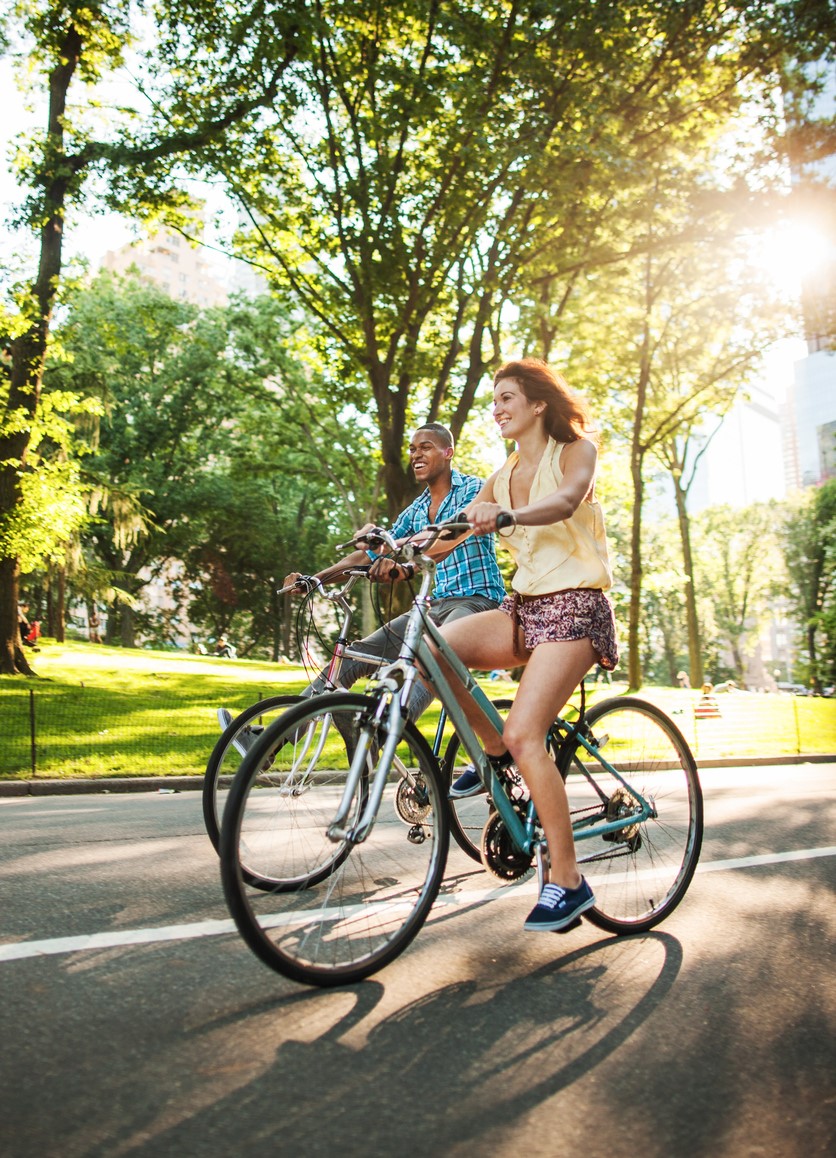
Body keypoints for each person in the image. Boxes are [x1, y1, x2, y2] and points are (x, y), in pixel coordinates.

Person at [435, 359, 618, 934]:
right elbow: (453, 533)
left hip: (577, 606)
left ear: (538, 404)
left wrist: (504, 514)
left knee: (526, 730)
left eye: (507, 397)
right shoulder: (502, 473)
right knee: (435, 650)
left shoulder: (575, 451)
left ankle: (567, 880)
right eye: (494, 400)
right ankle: (496, 758)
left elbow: (566, 501)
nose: (497, 408)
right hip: (526, 608)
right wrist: (396, 550)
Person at [218, 423, 506, 750]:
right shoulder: (415, 510)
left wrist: (397, 551)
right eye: (412, 449)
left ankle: (384, 733)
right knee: (354, 656)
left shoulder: (472, 489)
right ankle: (269, 742)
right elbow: (366, 555)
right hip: (433, 605)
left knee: (431, 656)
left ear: (448, 452)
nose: (415, 455)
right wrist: (315, 579)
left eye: (425, 447)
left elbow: (447, 536)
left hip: (477, 602)